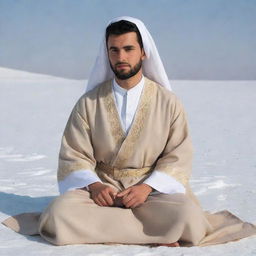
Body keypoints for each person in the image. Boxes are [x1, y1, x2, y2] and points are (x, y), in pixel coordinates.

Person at [2, 16, 256, 247]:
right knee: (60, 214)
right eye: (114, 50)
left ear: (144, 52)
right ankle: (160, 233)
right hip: (104, 190)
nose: (121, 57)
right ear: (107, 54)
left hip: (152, 191)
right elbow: (74, 153)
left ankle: (132, 228)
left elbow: (178, 156)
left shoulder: (168, 102)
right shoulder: (89, 102)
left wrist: (146, 188)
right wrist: (95, 186)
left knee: (187, 215)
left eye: (128, 49)